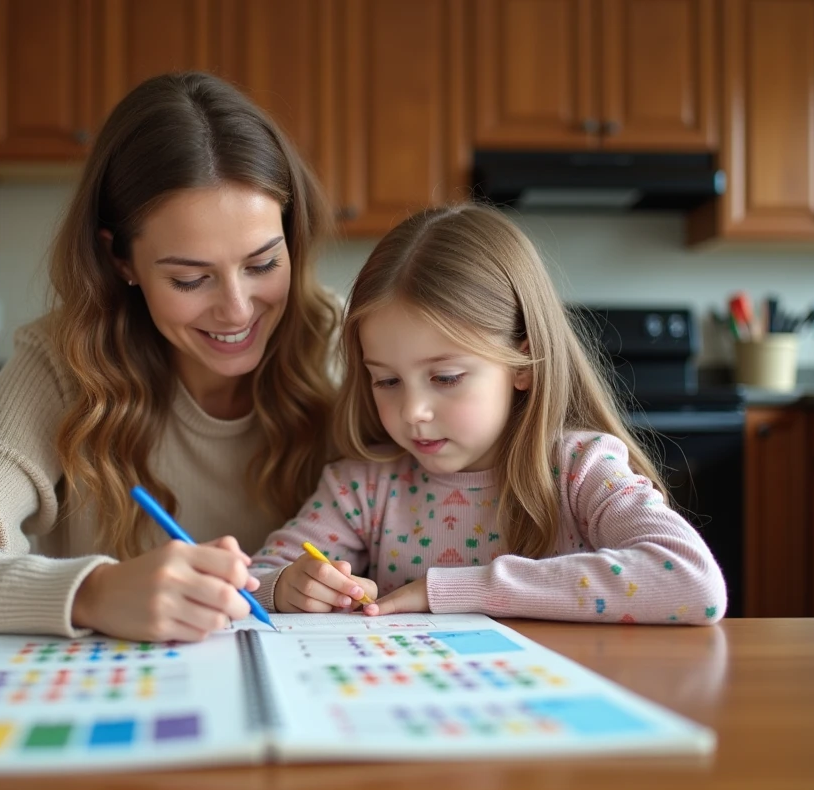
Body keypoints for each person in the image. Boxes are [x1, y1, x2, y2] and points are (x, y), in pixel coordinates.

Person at [0, 72, 341, 641]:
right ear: (122, 261)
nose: (236, 310)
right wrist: (91, 593)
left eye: (261, 265)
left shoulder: (347, 344)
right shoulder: (64, 362)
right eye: (189, 279)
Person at [249, 205, 728, 625]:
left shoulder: (581, 471)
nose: (412, 412)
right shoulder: (363, 488)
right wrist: (285, 586)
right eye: (387, 381)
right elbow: (249, 583)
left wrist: (453, 592)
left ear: (522, 365)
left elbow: (691, 582)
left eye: (446, 377)